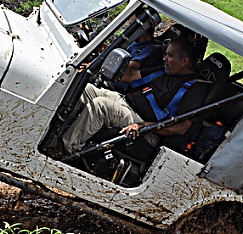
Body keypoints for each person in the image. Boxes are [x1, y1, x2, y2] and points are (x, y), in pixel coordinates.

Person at [62, 38, 207, 154]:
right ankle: (57, 131)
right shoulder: (164, 70)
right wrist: (95, 69)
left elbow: (181, 127)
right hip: (127, 102)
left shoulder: (195, 88)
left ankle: (68, 149)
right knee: (86, 89)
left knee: (101, 106)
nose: (164, 59)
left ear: (184, 61)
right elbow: (131, 75)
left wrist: (143, 125)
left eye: (170, 55)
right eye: (165, 54)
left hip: (146, 125)